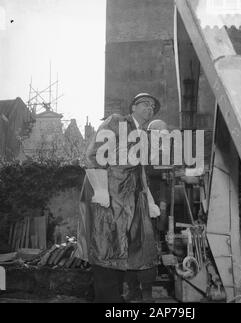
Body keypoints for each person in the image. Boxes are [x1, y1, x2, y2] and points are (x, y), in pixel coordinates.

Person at [77, 93, 161, 303]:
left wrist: (149, 201)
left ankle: (117, 300)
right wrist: (100, 189)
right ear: (133, 107)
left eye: (152, 107)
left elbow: (140, 172)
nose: (149, 109)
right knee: (106, 248)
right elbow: (93, 154)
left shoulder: (141, 135)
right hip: (109, 198)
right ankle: (107, 301)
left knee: (126, 252)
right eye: (145, 104)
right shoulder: (117, 121)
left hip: (130, 201)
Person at [124, 119, 170, 302]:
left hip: (157, 204)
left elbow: (166, 180)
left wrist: (163, 206)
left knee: (151, 250)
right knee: (133, 248)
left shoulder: (165, 153)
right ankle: (135, 290)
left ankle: (146, 292)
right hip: (139, 204)